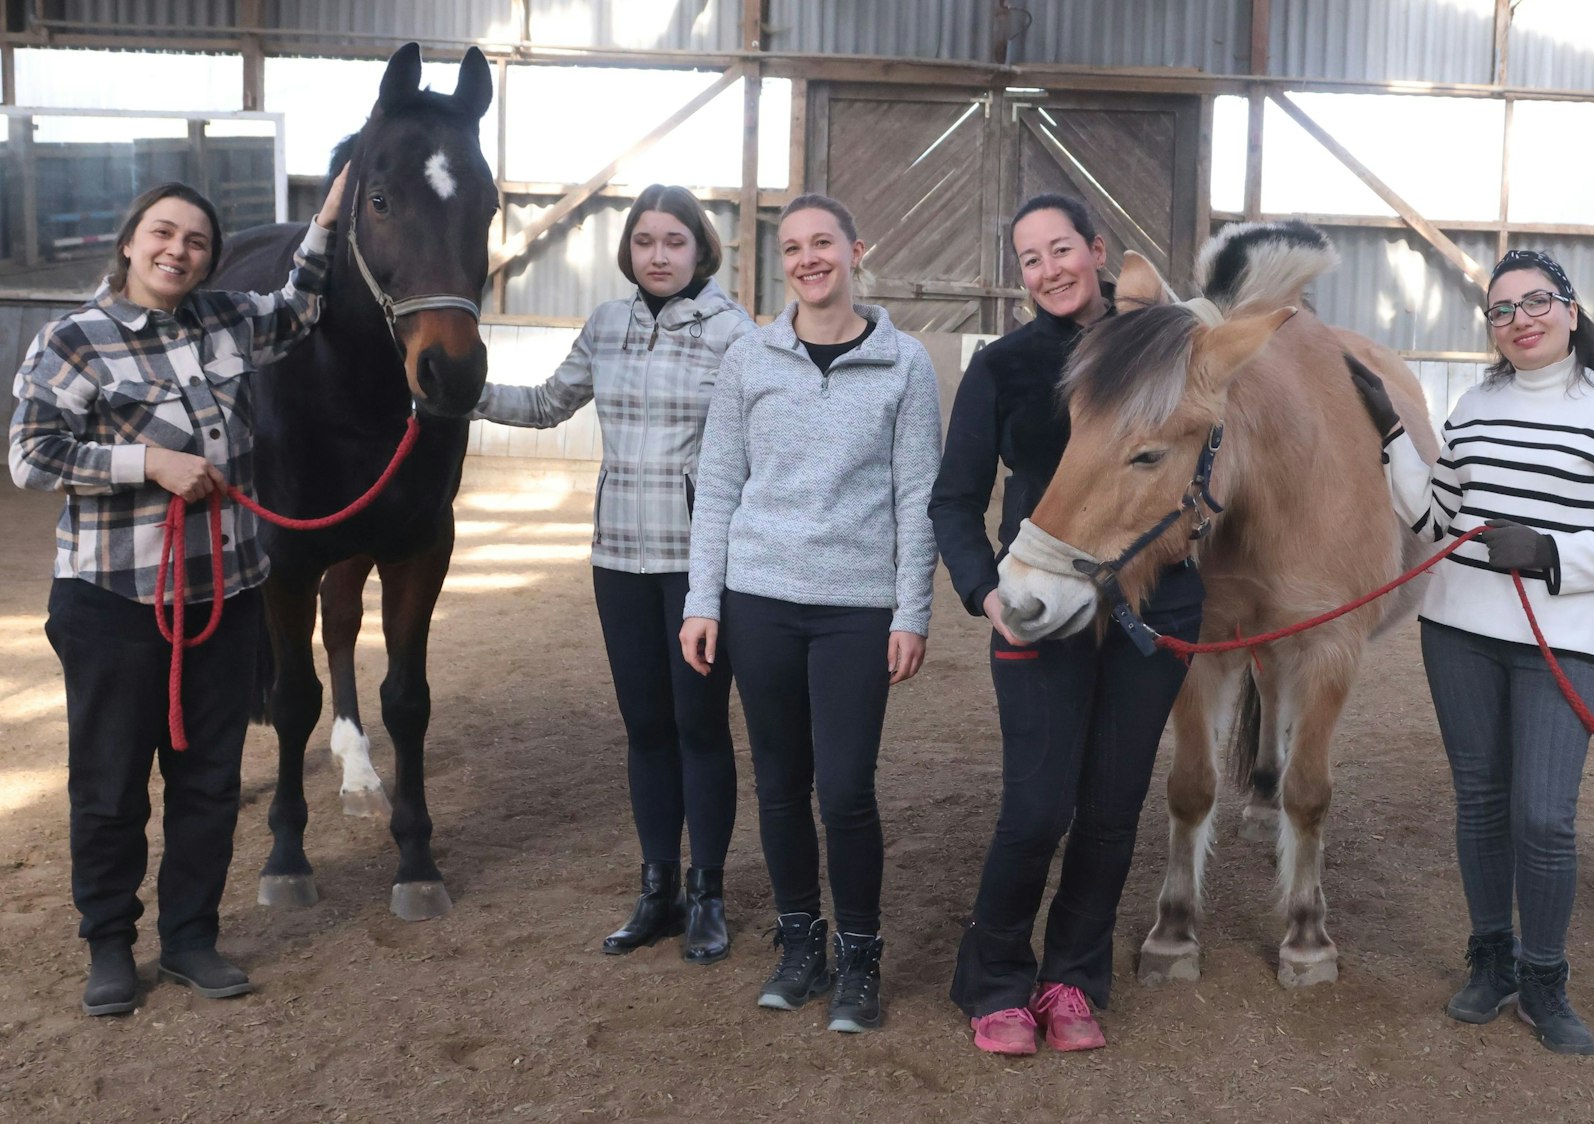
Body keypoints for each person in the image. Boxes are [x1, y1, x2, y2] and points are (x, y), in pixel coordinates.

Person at [10, 172, 348, 1016]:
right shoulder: (75, 340)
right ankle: (111, 945)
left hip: (227, 598)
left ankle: (191, 937)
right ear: (130, 241)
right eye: (164, 234)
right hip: (113, 605)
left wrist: (329, 220)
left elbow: (300, 304)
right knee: (111, 782)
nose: (178, 251)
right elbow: (29, 455)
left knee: (208, 779)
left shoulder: (227, 321)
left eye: (196, 242)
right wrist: (147, 464)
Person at [1349, 249, 1594, 1055]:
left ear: (1568, 308)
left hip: (1556, 639)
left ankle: (1545, 976)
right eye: (1501, 311)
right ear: (1490, 328)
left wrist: (1552, 554)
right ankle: (1490, 959)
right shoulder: (1475, 405)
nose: (1519, 320)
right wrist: (1391, 434)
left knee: (1545, 817)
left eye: (1535, 303)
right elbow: (1437, 520)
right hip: (1457, 628)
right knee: (1483, 803)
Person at [927, 193, 1202, 1056]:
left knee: (1114, 808)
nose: (1047, 271)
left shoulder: (1164, 353)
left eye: (1061, 250)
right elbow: (954, 500)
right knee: (1038, 806)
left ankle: (1073, 976)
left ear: (1098, 251)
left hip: (1154, 609)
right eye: (1029, 259)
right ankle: (996, 976)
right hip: (1040, 608)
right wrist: (985, 594)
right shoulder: (1002, 367)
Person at [678, 192, 940, 1033]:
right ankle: (801, 943)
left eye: (821, 242)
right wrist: (703, 600)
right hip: (759, 602)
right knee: (782, 785)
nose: (807, 259)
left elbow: (917, 497)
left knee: (848, 789)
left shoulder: (905, 366)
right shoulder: (752, 360)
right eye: (791, 248)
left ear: (856, 251)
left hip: (856, 610)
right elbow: (717, 486)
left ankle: (861, 953)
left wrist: (912, 612)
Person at [474, 185, 752, 962]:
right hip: (617, 560)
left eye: (674, 241)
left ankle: (707, 893)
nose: (658, 256)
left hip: (699, 568)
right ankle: (656, 888)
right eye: (644, 242)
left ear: (701, 249)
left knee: (700, 728)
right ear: (628, 250)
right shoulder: (606, 325)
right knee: (645, 728)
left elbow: (757, 452)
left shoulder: (736, 336)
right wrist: (461, 393)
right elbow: (546, 404)